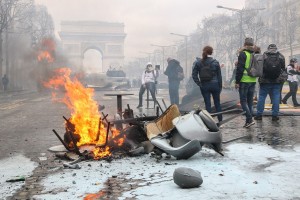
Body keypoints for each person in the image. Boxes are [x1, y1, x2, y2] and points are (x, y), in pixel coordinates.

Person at [254, 44, 286, 121]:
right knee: (276, 97)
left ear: (268, 48)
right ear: (276, 48)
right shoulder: (281, 56)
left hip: (265, 81)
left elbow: (260, 68)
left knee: (261, 97)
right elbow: (283, 69)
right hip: (277, 81)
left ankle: (259, 115)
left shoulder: (264, 55)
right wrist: (282, 79)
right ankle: (275, 115)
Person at [192, 45, 223, 122]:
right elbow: (219, 76)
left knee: (207, 104)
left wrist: (199, 83)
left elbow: (194, 75)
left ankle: (209, 122)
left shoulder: (198, 62)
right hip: (215, 85)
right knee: (217, 103)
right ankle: (220, 121)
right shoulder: (215, 62)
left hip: (204, 85)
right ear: (211, 52)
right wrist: (220, 86)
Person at [235, 38, 257, 128]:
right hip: (253, 80)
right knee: (250, 101)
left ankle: (250, 118)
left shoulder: (243, 54)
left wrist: (237, 81)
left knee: (243, 101)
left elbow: (240, 69)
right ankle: (248, 121)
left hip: (244, 80)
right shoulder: (254, 54)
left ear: (245, 44)